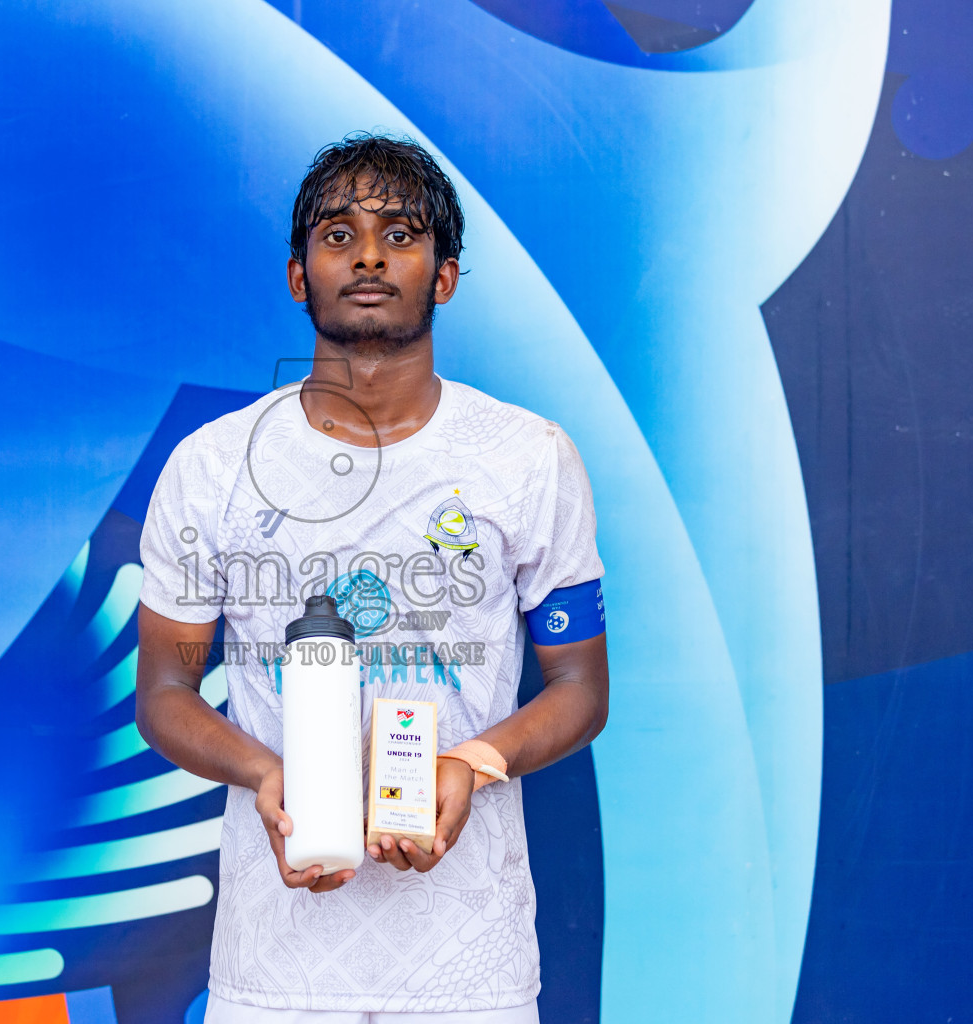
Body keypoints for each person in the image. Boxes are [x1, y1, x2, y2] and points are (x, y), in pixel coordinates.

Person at [135, 133, 609, 1023]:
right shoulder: (213, 466)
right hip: (276, 970)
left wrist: (473, 762)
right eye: (338, 234)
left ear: (445, 276)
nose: (367, 255)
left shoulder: (527, 459)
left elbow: (581, 686)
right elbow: (165, 689)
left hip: (471, 967)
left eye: (400, 235)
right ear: (296, 274)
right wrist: (266, 774)